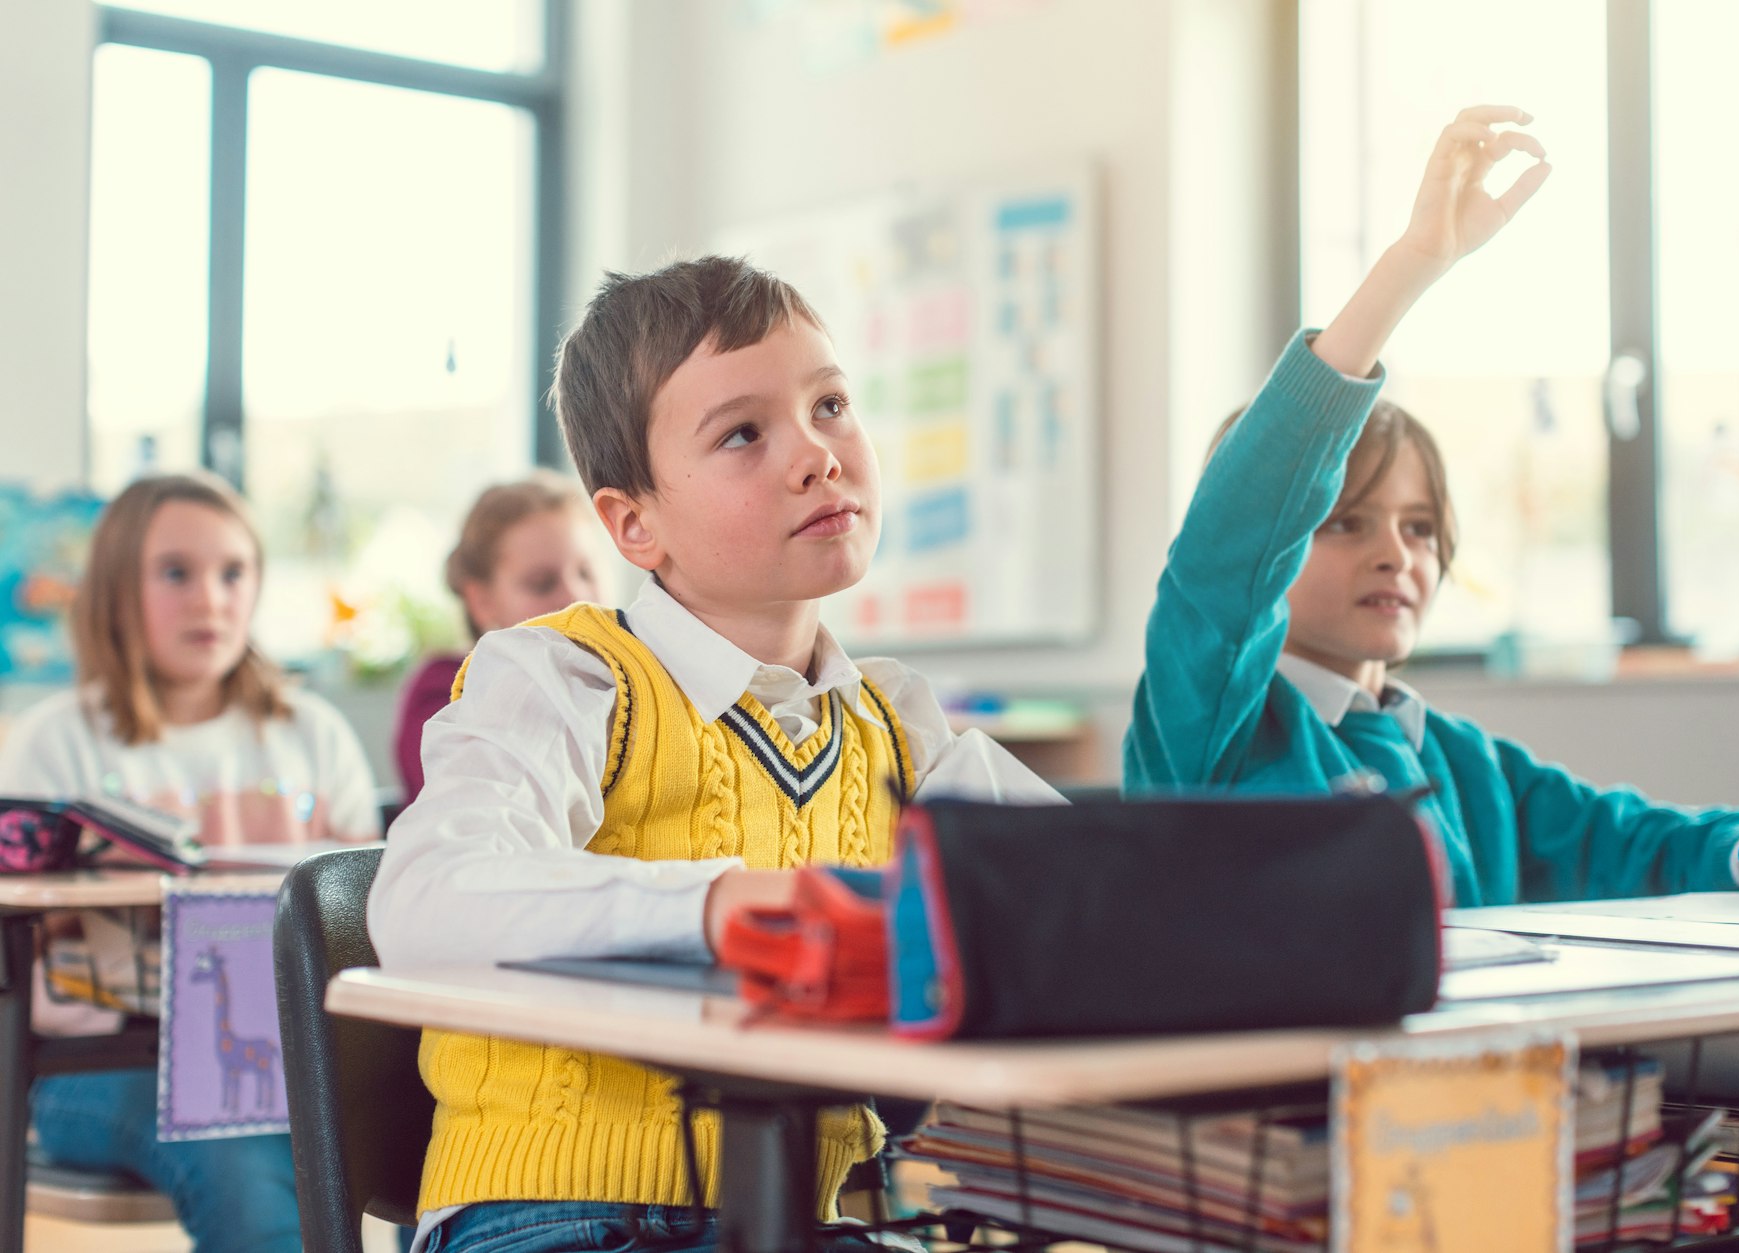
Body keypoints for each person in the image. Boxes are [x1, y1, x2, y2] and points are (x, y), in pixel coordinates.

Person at [368, 255, 1059, 1252]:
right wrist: (721, 904)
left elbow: (1094, 893)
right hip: (552, 1219)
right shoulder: (562, 677)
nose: (816, 455)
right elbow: (423, 895)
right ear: (633, 522)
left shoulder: (896, 723)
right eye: (743, 433)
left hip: (799, 1221)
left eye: (829, 404)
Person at [1124, 105, 1739, 909]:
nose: (1394, 555)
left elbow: (1627, 840)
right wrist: (1410, 265)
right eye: (1343, 521)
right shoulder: (1211, 724)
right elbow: (1231, 541)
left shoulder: (1466, 765)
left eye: (1419, 528)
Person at [0, 470, 381, 1253]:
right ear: (114, 587)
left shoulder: (315, 732)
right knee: (245, 1155)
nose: (210, 598)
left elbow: (369, 915)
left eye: (233, 572)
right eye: (176, 572)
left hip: (295, 1056)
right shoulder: (54, 741)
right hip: (98, 1066)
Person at [391, 472, 602, 803]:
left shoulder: (620, 681)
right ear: (482, 601)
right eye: (542, 583)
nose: (577, 596)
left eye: (585, 573)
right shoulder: (441, 695)